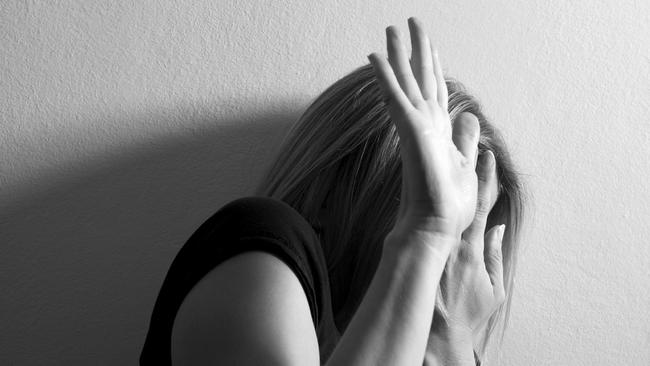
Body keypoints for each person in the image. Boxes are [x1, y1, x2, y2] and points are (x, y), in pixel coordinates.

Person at [140, 16, 525, 366]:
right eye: (457, 233)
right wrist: (427, 232)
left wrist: (452, 341)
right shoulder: (263, 247)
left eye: (469, 235)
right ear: (329, 194)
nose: (460, 264)